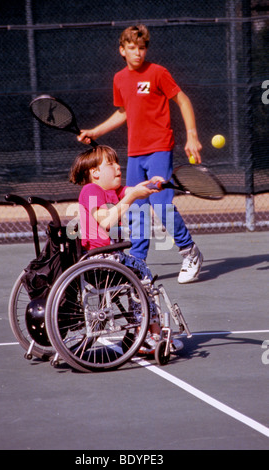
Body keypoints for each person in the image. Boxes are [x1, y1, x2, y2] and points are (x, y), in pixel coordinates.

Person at [78, 24, 203, 284]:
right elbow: (123, 112)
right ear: (122, 50)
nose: (138, 53)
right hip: (135, 153)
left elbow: (182, 100)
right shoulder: (119, 79)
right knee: (136, 208)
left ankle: (189, 251)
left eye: (142, 48)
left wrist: (191, 135)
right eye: (132, 48)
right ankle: (137, 264)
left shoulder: (158, 73)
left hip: (159, 147)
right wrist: (95, 130)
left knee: (161, 204)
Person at [70, 144, 183, 354]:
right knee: (142, 275)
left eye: (117, 162)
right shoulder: (91, 190)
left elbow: (135, 190)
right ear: (94, 172)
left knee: (141, 273)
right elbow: (105, 222)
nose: (118, 167)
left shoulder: (113, 192)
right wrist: (130, 198)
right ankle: (148, 334)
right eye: (110, 164)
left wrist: (153, 183)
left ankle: (148, 332)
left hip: (111, 258)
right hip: (98, 261)